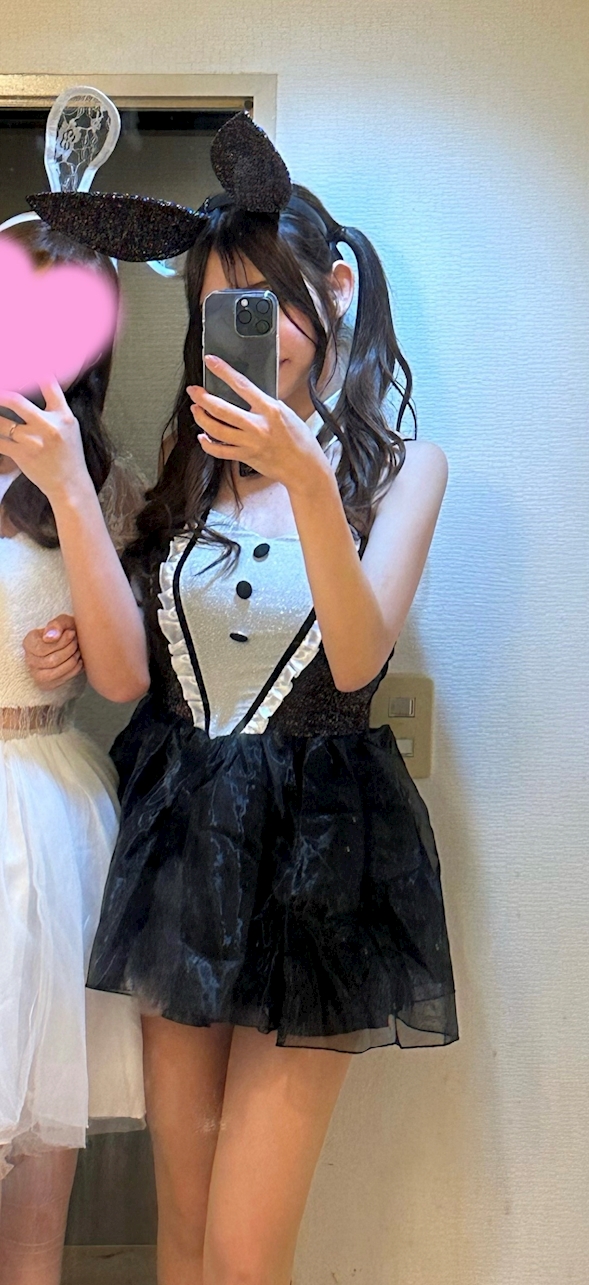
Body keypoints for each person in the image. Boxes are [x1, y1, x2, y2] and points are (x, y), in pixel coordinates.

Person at [25, 112, 458, 1285]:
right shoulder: (189, 456)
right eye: (219, 311)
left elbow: (357, 661)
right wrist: (69, 521)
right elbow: (131, 671)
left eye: (262, 306)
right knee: (179, 1228)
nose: (243, 335)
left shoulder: (399, 469)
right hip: (180, 842)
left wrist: (307, 477)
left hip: (316, 857)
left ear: (332, 293)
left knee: (244, 1251)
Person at [0, 214, 148, 1285]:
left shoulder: (105, 481)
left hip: (47, 827)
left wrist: (66, 488)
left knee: (35, 1214)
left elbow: (125, 675)